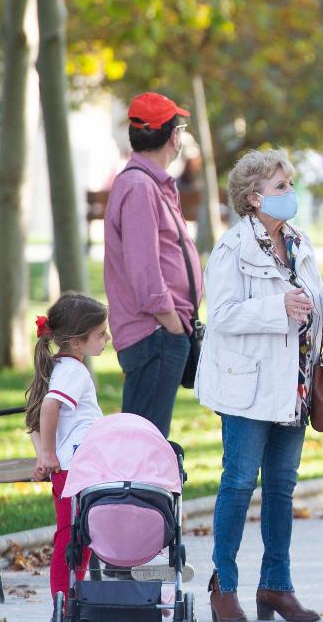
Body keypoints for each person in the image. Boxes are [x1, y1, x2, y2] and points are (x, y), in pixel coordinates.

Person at [197, 149, 323, 622]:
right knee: (238, 483)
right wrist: (279, 309)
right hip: (249, 389)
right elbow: (221, 317)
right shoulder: (232, 249)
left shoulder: (298, 241)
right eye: (282, 187)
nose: (292, 194)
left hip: (295, 385)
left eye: (290, 184)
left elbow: (306, 307)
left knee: (282, 489)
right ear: (254, 198)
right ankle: (223, 587)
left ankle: (275, 586)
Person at [103, 92, 201, 438]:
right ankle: (135, 496)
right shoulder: (140, 187)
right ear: (173, 137)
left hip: (162, 332)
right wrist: (172, 324)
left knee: (147, 440)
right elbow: (145, 272)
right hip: (155, 333)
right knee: (143, 443)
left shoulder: (148, 184)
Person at [24, 293, 109, 610]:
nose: (107, 338)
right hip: (76, 469)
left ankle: (70, 598)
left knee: (75, 535)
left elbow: (33, 419)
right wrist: (47, 454)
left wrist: (43, 456)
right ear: (76, 341)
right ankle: (66, 601)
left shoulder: (58, 366)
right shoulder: (73, 371)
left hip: (73, 468)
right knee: (72, 537)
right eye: (100, 334)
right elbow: (48, 407)